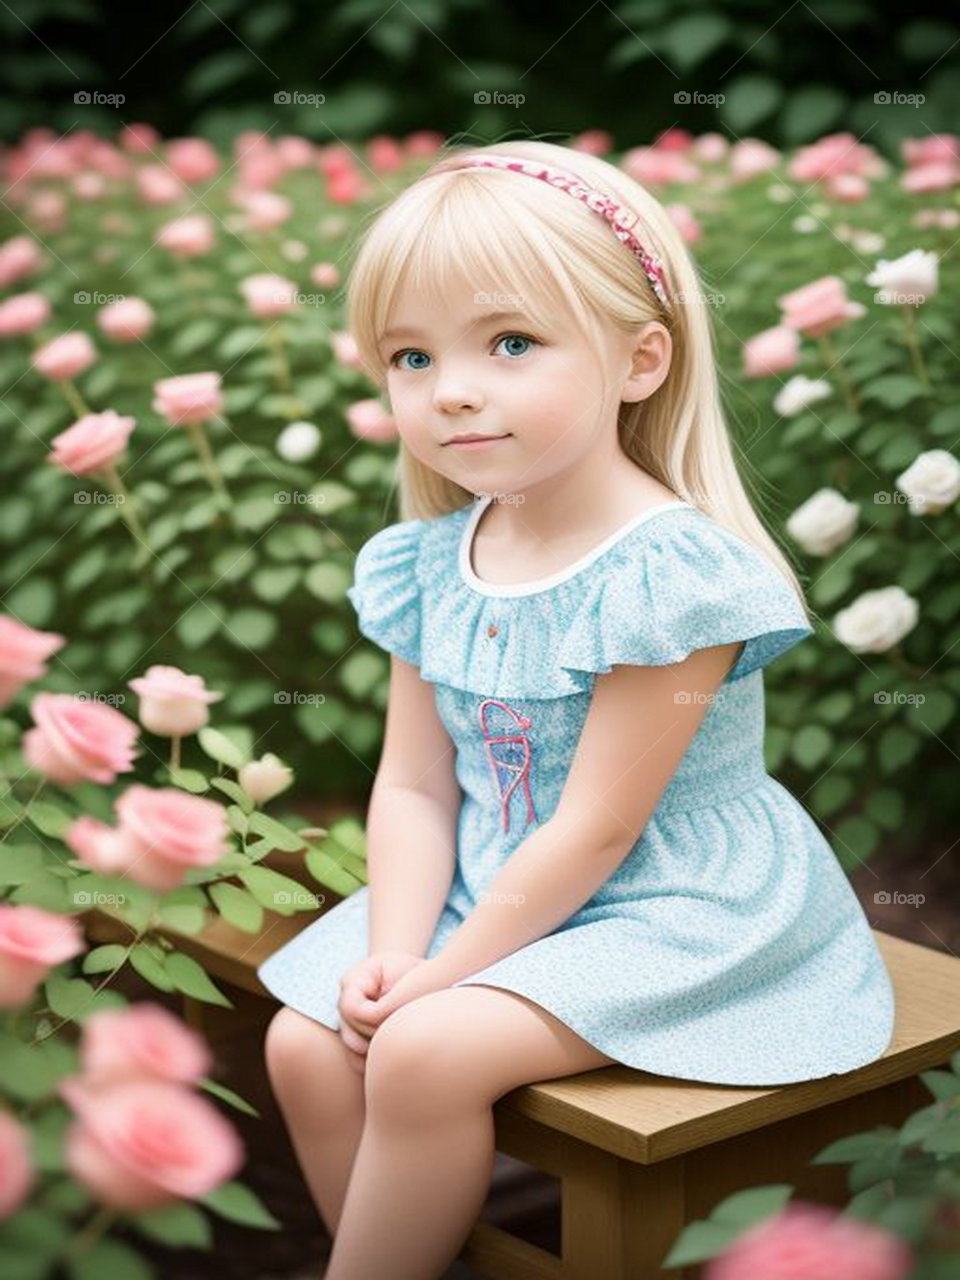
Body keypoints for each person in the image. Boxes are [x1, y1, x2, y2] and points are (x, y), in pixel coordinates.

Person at [257, 138, 896, 1280]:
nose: (451, 386)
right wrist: (399, 950)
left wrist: (439, 987)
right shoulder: (430, 560)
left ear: (639, 359)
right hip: (493, 877)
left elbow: (598, 827)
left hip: (674, 901)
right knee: (307, 1042)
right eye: (410, 355)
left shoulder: (672, 578)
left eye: (510, 343)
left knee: (423, 1053)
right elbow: (413, 781)